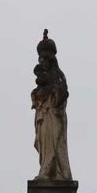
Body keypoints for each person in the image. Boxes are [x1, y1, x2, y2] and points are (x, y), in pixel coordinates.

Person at [31, 30, 72, 181]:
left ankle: (53, 172)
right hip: (44, 115)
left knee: (54, 143)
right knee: (44, 143)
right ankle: (46, 170)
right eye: (40, 59)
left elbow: (62, 95)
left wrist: (51, 91)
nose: (41, 62)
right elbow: (36, 99)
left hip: (54, 116)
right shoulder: (42, 81)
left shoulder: (58, 76)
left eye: (44, 59)